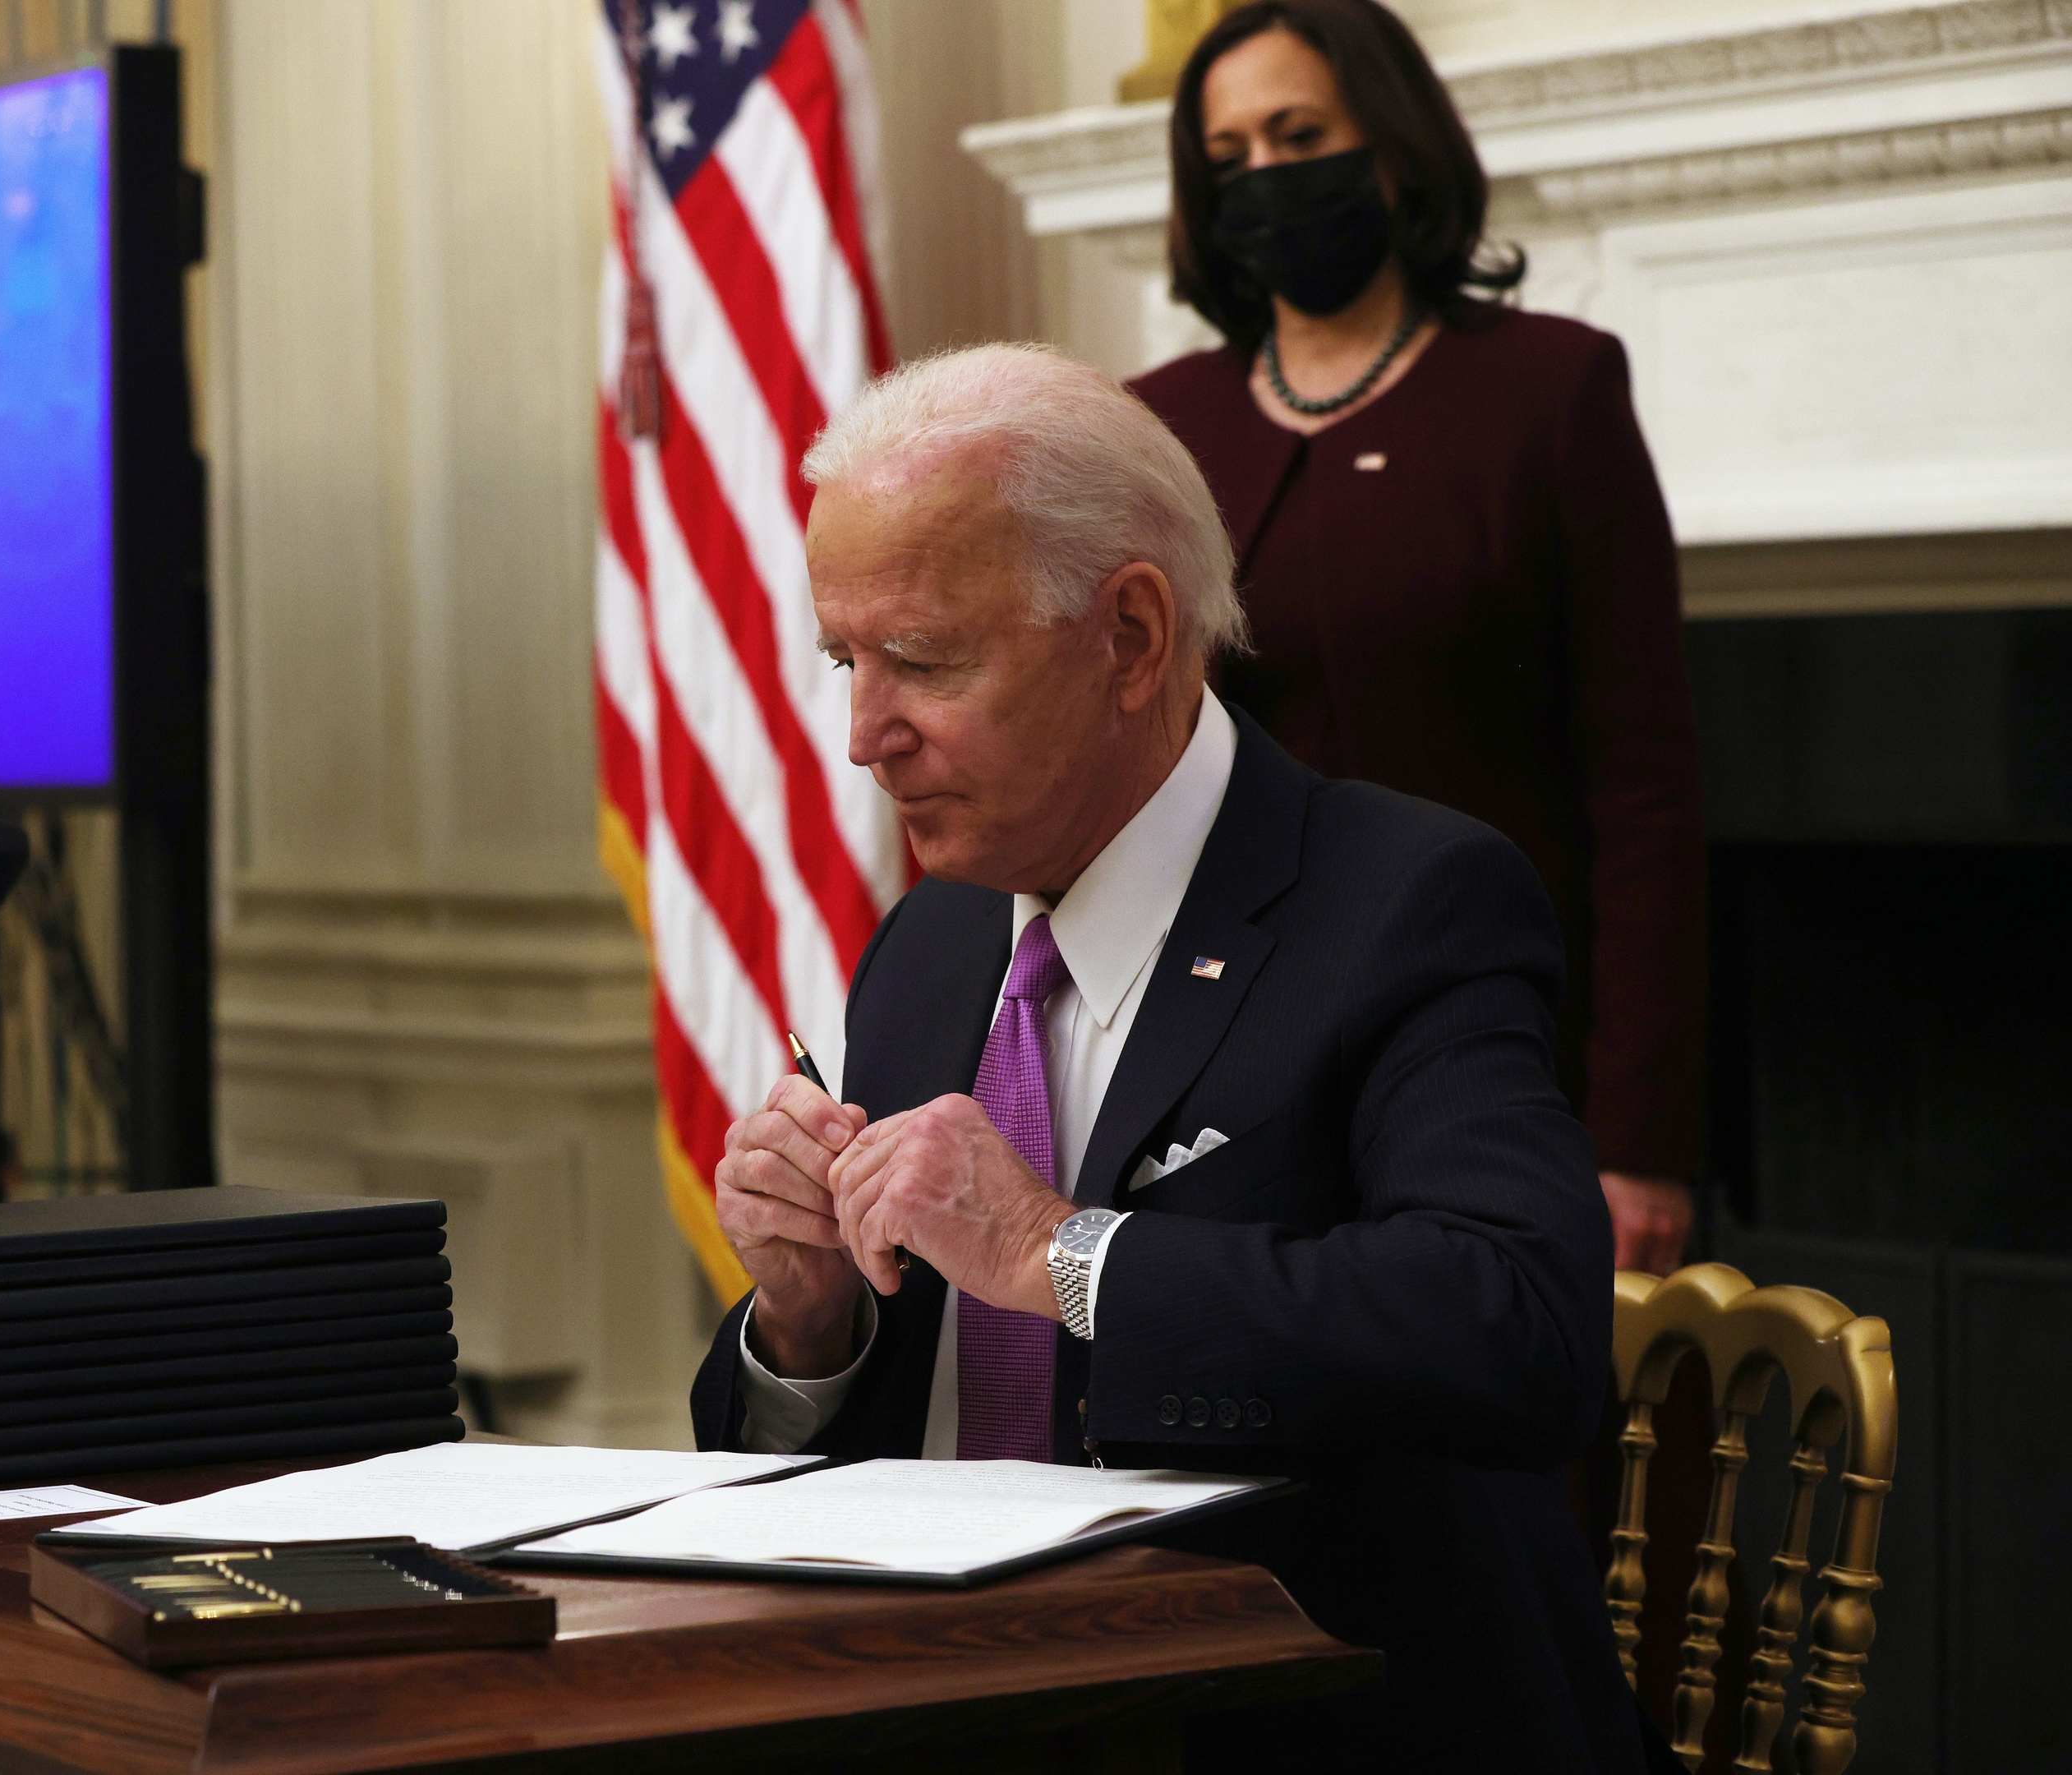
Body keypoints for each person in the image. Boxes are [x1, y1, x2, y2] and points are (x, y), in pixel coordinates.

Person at [693, 343, 1665, 1773]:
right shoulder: (930, 946)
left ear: (1132, 639)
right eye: (848, 659)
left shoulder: (1406, 901)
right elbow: (858, 1458)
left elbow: (1517, 1330)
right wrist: (809, 1326)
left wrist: (1061, 1254)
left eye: (925, 661)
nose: (864, 737)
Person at [1130, 0, 1707, 1275]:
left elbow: (1647, 786)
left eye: (1299, 134)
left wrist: (1643, 1135)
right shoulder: (1156, 427)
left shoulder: (1553, 389)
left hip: (1501, 1046)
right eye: (1229, 160)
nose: (1267, 179)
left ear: (1393, 147)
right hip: (1231, 1066)